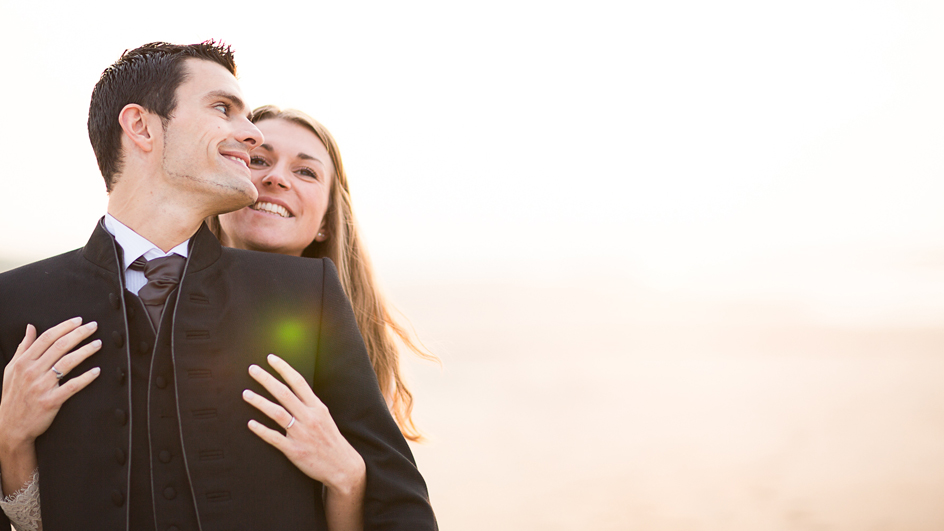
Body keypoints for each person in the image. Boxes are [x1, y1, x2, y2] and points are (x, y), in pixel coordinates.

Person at [0, 41, 436, 531]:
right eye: (223, 109)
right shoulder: (14, 302)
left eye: (305, 171)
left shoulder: (306, 293)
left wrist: (350, 478)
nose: (249, 136)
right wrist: (8, 444)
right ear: (141, 126)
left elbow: (401, 508)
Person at [211, 105, 435, 442]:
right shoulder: (154, 300)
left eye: (305, 171)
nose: (276, 178)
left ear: (327, 223)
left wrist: (349, 477)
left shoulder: (358, 350)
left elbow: (391, 488)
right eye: (257, 161)